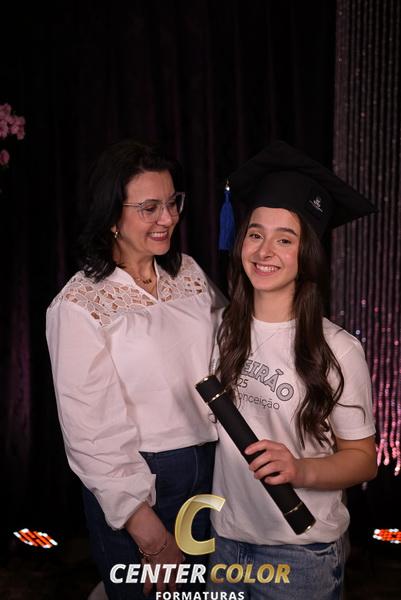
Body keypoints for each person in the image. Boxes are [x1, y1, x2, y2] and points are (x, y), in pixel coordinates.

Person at [46, 139, 225, 599]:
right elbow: (90, 430)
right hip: (142, 480)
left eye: (172, 202)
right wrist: (147, 528)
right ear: (112, 216)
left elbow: (227, 354)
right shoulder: (80, 304)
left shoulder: (188, 273)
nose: (168, 218)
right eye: (149, 208)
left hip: (210, 470)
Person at [207, 141, 377, 599]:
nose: (265, 250)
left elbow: (364, 459)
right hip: (225, 542)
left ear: (307, 254)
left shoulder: (338, 349)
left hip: (301, 555)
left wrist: (299, 469)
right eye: (255, 234)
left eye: (285, 239)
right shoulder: (219, 328)